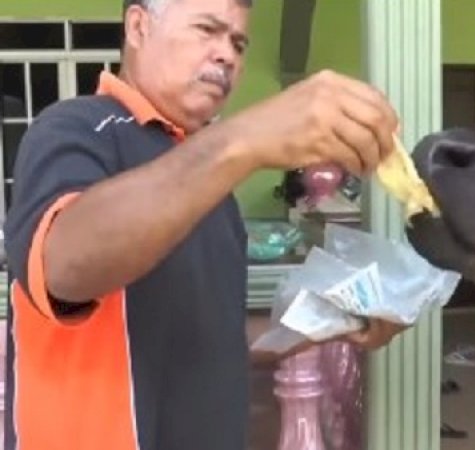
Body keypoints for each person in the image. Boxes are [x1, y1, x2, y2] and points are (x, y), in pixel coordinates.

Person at [3, 0, 407, 448]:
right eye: (206, 30)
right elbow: (62, 265)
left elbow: (215, 338)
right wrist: (241, 140)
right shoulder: (76, 129)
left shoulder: (210, 181)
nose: (227, 55)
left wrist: (330, 323)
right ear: (138, 27)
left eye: (237, 42)